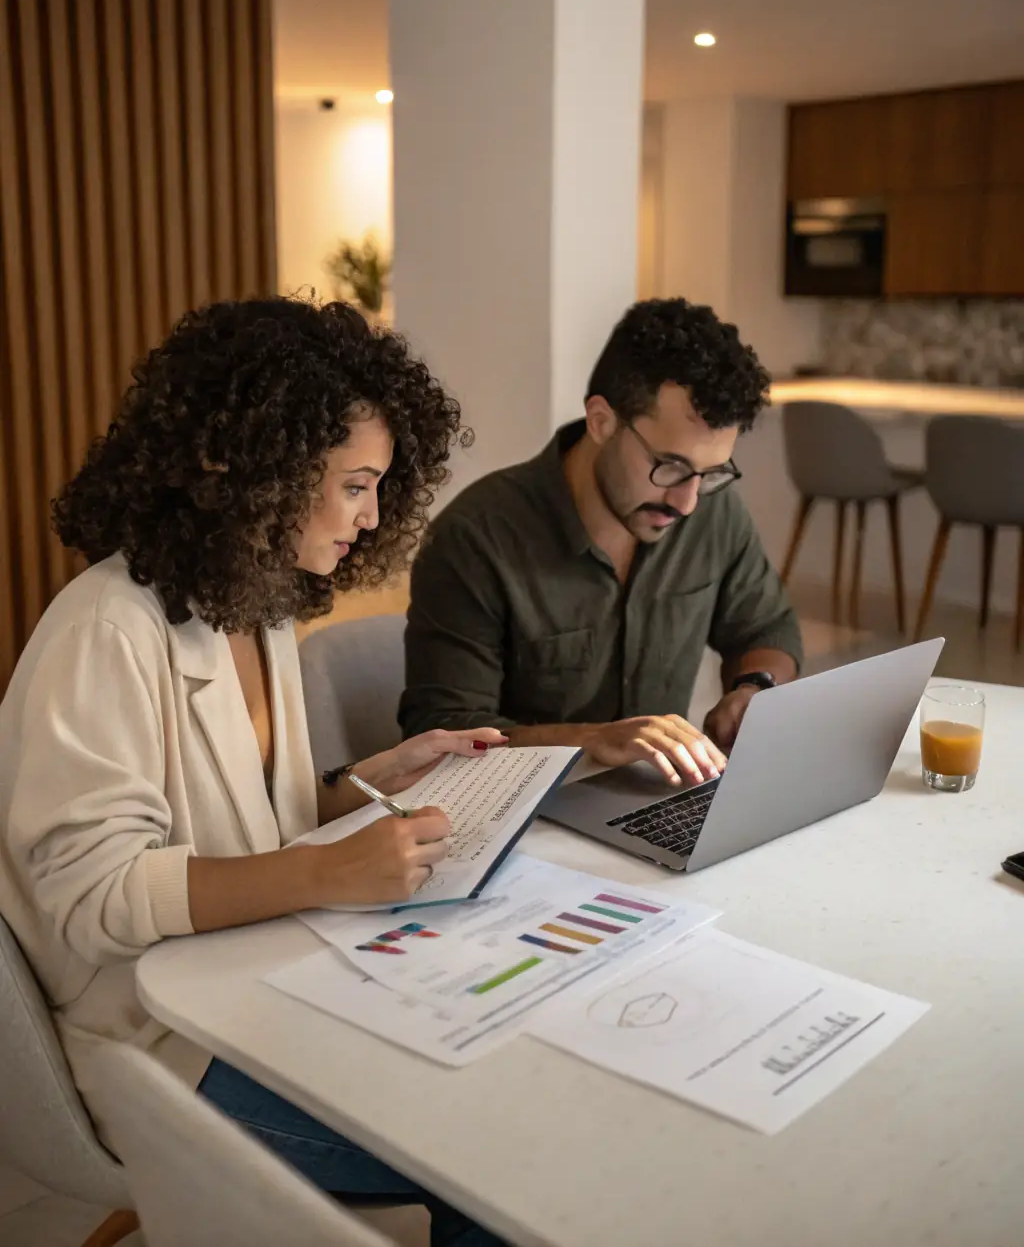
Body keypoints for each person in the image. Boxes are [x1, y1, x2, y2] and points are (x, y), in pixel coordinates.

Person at [0, 297, 508, 1247]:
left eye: (379, 489)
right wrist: (329, 868)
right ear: (261, 468)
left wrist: (368, 778)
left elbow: (243, 823)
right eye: (356, 484)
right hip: (158, 1039)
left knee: (492, 1079)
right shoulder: (104, 628)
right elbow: (93, 894)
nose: (369, 517)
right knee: (482, 1159)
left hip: (258, 980)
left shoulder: (257, 604)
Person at [401, 297, 803, 786]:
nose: (688, 501)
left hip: (655, 803)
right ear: (601, 421)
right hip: (525, 820)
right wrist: (595, 741)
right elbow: (442, 735)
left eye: (711, 472)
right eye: (670, 465)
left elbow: (767, 627)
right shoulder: (476, 539)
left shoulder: (712, 512)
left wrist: (755, 687)